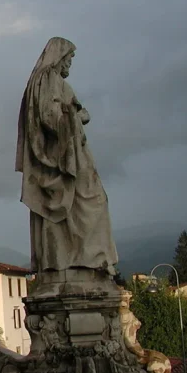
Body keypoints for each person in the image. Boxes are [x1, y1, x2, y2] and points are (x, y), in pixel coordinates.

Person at [15, 37, 118, 275]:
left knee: (84, 205)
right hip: (62, 158)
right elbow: (50, 117)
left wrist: (74, 115)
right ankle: (86, 260)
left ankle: (77, 259)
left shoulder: (50, 82)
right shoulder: (48, 79)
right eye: (69, 58)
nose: (69, 64)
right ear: (59, 57)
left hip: (68, 153)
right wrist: (78, 117)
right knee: (94, 201)